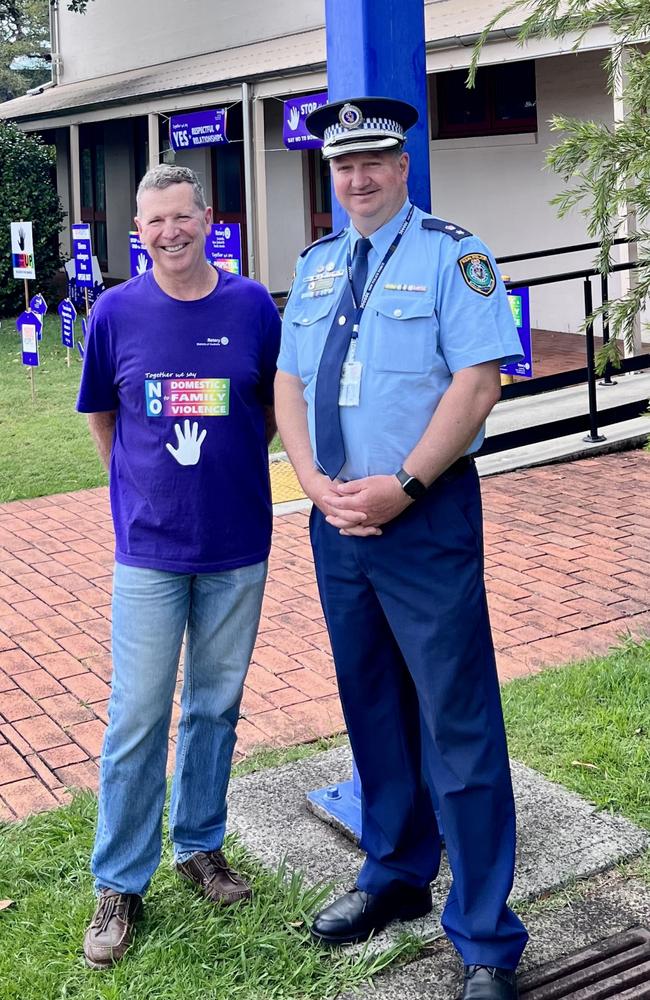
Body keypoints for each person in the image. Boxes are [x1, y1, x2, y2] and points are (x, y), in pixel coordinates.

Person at [274, 98, 528, 1000]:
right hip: (337, 523)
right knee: (373, 704)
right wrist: (309, 480)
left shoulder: (453, 256)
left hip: (423, 519)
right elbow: (288, 380)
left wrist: (407, 484)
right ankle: (395, 873)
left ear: (403, 163)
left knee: (456, 720)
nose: (359, 178)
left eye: (375, 160)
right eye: (344, 166)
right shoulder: (314, 268)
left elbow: (479, 382)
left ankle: (488, 939)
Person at [77, 164, 281, 969]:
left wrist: (224, 467)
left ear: (208, 219)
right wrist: (141, 488)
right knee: (137, 716)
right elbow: (103, 415)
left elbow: (270, 404)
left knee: (215, 705)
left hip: (237, 544)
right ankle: (119, 882)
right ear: (140, 229)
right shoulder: (116, 313)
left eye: (182, 217)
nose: (169, 233)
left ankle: (200, 843)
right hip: (151, 551)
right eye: (154, 222)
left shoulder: (253, 306)